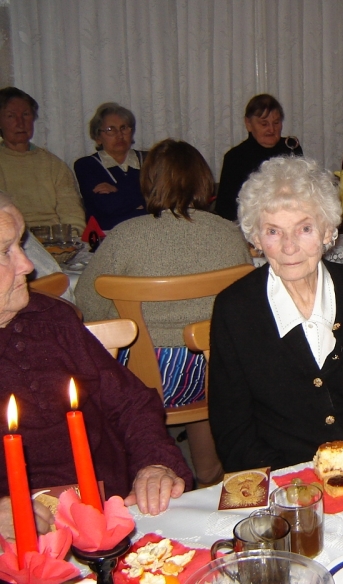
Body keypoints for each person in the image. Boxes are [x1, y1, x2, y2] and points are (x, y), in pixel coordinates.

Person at [0, 192, 192, 543]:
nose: (27, 265)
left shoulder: (51, 318)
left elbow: (131, 402)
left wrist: (155, 464)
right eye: (5, 251)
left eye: (21, 245)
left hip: (112, 509)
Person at [209, 156, 343, 472]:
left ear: (328, 231)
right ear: (256, 238)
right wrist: (292, 483)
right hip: (286, 474)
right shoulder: (235, 309)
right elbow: (233, 432)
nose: (289, 247)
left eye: (304, 228)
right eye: (273, 231)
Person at [75, 139, 252, 486]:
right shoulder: (230, 234)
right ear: (203, 181)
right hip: (215, 375)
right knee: (209, 348)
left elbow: (88, 305)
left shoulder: (125, 236)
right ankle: (209, 471)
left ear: (148, 182)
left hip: (147, 379)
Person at [0, 87, 85, 229]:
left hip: (54, 237)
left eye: (26, 114)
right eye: (11, 116)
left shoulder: (54, 165)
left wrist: (72, 236)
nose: (20, 123)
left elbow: (72, 213)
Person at [215, 94, 303, 221]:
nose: (271, 129)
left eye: (276, 122)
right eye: (264, 124)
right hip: (250, 224)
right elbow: (225, 210)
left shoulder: (291, 148)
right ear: (248, 124)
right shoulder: (234, 158)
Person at [73, 103, 148, 231]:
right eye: (110, 130)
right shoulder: (86, 165)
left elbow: (164, 200)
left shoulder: (151, 160)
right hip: (108, 235)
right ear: (98, 137)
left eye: (124, 128)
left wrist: (117, 190)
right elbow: (107, 206)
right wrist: (142, 197)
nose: (119, 135)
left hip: (150, 231)